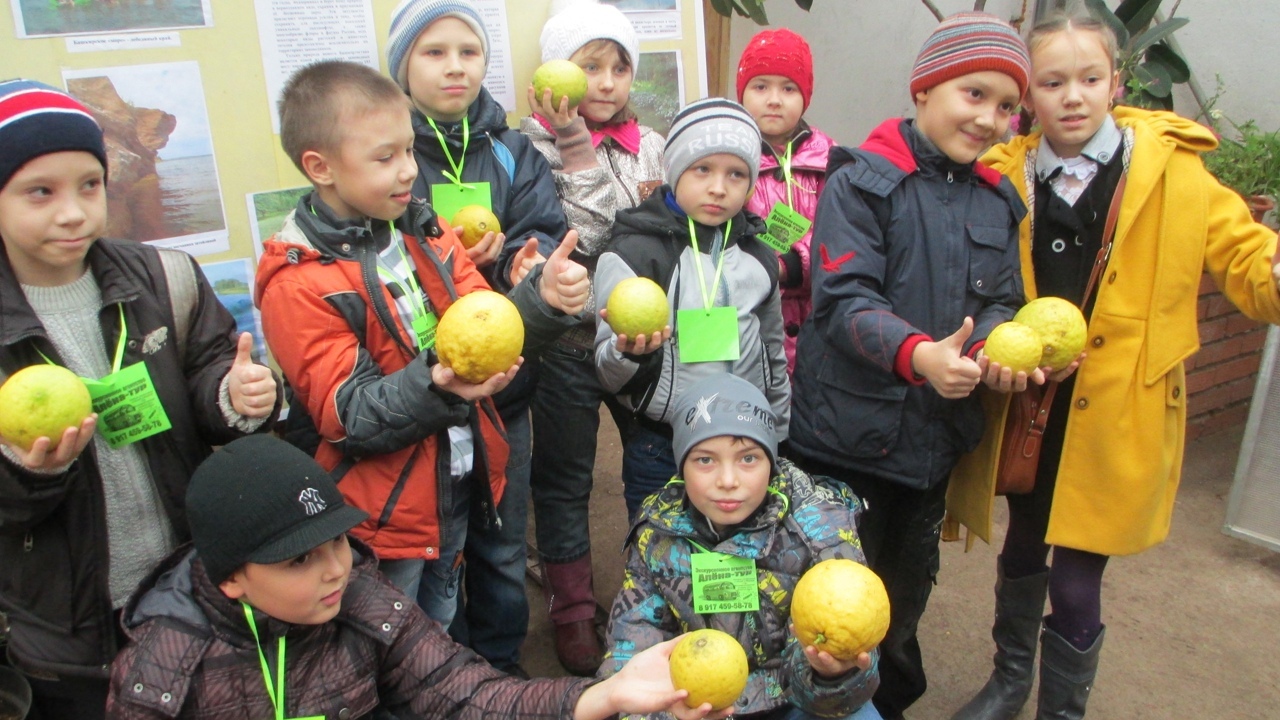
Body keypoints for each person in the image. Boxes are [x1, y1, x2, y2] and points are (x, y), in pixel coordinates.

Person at [947, 15, 1280, 720]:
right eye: (1053, 82)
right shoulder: (1006, 175)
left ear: (1117, 85)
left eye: (1090, 79)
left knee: (1076, 575)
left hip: (1120, 405)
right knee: (1024, 547)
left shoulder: (1174, 173)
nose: (1073, 97)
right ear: (1029, 96)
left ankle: (1061, 711)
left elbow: (1249, 266)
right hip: (1031, 402)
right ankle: (1010, 682)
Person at [253, 60, 587, 676]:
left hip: (455, 481)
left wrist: (542, 299)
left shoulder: (420, 229)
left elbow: (482, 323)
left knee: (440, 630)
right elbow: (348, 415)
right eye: (386, 157)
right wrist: (436, 374)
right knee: (389, 649)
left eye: (409, 149)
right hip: (386, 515)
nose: (409, 168)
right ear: (319, 167)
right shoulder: (298, 283)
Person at [104, 434, 736, 720]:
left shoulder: (362, 603)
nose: (335, 571)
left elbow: (467, 696)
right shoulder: (162, 673)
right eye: (299, 560)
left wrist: (602, 696)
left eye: (337, 543)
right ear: (231, 579)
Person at [0, 79, 280, 720]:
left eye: (89, 185)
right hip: (65, 626)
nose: (73, 212)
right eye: (39, 191)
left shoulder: (164, 278)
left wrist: (235, 396)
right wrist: (27, 474)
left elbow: (207, 373)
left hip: (187, 587)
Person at [786, 13, 1032, 719]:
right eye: (973, 94)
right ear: (924, 89)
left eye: (1006, 106)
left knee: (898, 604)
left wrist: (991, 349)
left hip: (928, 449)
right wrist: (920, 355)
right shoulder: (863, 182)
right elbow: (843, 299)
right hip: (842, 445)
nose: (989, 117)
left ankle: (886, 703)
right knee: (826, 602)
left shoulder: (996, 199)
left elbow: (1001, 304)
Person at [385, 0, 575, 671]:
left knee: (499, 534)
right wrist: (455, 256)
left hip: (504, 385)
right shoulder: (388, 153)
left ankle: (497, 663)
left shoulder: (510, 148)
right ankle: (438, 672)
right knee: (432, 537)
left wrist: (523, 257)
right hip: (422, 387)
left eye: (468, 51)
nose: (454, 67)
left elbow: (543, 227)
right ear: (402, 66)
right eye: (434, 52)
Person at [518, 0, 666, 676]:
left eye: (618, 68)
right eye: (589, 66)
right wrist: (574, 139)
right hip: (566, 346)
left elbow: (647, 236)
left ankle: (654, 589)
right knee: (565, 477)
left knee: (653, 466)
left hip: (641, 342)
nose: (605, 82)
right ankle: (573, 609)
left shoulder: (653, 146)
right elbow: (596, 231)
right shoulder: (527, 148)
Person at [601, 372, 881, 720]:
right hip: (696, 703)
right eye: (705, 459)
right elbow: (632, 648)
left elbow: (851, 664)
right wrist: (663, 714)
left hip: (794, 699)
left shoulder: (822, 529)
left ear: (771, 462)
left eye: (748, 458)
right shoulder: (658, 532)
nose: (728, 481)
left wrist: (831, 675)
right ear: (680, 466)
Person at [594, 97, 791, 520]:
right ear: (674, 169)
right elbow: (606, 371)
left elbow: (773, 352)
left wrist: (778, 431)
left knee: (739, 559)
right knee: (659, 556)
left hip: (744, 441)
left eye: (736, 174)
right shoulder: (633, 255)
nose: (719, 187)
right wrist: (629, 352)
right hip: (660, 443)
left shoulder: (758, 258)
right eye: (703, 169)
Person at [736, 27, 837, 377]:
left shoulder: (831, 161)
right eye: (760, 86)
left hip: (818, 322)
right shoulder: (728, 158)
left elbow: (842, 233)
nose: (774, 99)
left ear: (805, 96)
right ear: (742, 92)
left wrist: (794, 264)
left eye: (788, 88)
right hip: (750, 319)